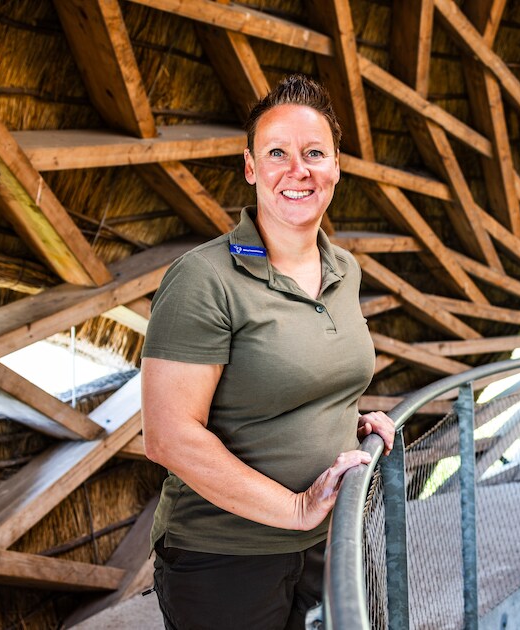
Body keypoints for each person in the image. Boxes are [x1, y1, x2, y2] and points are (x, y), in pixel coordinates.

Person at [141, 75, 395, 630]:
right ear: (251, 168)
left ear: (335, 167)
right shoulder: (204, 279)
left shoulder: (343, 270)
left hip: (328, 545)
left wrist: (346, 421)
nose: (296, 170)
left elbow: (301, 380)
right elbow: (167, 436)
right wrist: (296, 509)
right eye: (276, 153)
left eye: (313, 153)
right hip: (226, 559)